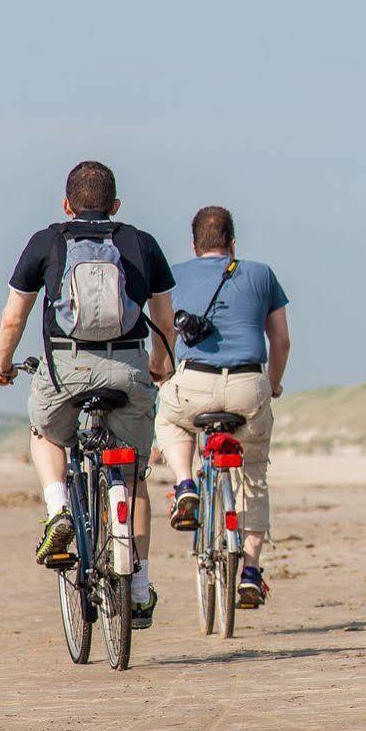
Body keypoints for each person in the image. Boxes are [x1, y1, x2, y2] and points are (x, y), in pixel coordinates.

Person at [0, 161, 176, 629]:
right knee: (132, 475)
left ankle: (57, 510)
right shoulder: (141, 243)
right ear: (116, 206)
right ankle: (137, 586)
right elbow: (165, 315)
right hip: (128, 371)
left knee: (45, 433)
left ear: (66, 204)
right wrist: (161, 362)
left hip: (65, 369)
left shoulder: (47, 241)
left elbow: (14, 317)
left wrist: (2, 366)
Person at [154, 206, 290, 610]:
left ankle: (185, 484)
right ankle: (249, 571)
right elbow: (280, 341)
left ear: (194, 245)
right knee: (253, 472)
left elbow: (163, 335)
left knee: (170, 419)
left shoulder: (174, 276)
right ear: (233, 243)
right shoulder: (261, 274)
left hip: (194, 381)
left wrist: (161, 374)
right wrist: (275, 383)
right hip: (249, 384)